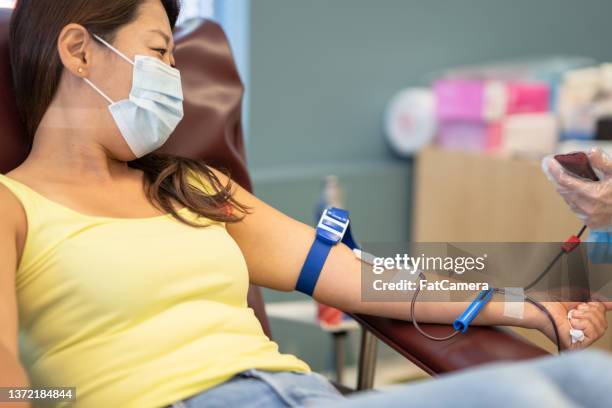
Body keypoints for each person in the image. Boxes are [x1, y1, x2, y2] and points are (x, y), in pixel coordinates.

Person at [0, 1, 610, 407]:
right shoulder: (12, 206)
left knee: (591, 379)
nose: (172, 75)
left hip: (303, 392)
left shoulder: (188, 186)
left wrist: (529, 306)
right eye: (159, 52)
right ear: (78, 50)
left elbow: (358, 274)